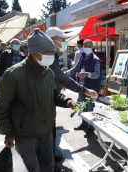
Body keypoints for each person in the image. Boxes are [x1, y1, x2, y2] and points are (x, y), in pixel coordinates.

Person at [0, 28, 76, 172]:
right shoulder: (14, 74)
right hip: (25, 135)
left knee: (48, 166)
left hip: (46, 132)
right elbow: (1, 107)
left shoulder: (48, 72)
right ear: (34, 53)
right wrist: (8, 132)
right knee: (29, 168)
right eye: (47, 52)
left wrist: (67, 101)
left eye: (52, 52)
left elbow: (54, 94)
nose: (51, 55)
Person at [46, 27, 98, 171]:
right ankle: (50, 163)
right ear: (53, 40)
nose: (64, 43)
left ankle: (50, 157)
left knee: (50, 131)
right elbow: (63, 75)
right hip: (43, 102)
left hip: (50, 97)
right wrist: (66, 80)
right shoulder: (48, 56)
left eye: (88, 46)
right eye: (62, 40)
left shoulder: (51, 54)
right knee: (46, 133)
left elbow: (58, 79)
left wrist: (62, 81)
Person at [67, 39, 101, 138]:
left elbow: (97, 74)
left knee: (90, 107)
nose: (86, 48)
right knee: (82, 106)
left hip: (91, 88)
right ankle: (84, 123)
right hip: (81, 88)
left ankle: (91, 127)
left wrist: (87, 74)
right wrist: (65, 74)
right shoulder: (82, 57)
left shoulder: (96, 59)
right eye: (85, 46)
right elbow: (76, 68)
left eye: (89, 46)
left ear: (92, 47)